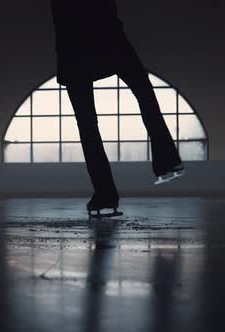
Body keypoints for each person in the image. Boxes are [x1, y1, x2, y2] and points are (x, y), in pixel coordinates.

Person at [50, 0, 184, 215]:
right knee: (143, 91)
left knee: (87, 126)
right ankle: (167, 158)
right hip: (109, 38)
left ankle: (105, 194)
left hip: (73, 49)